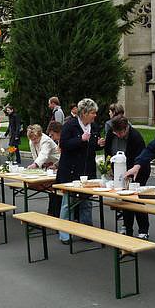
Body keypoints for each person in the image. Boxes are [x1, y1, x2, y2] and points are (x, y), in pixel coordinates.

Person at [55, 98, 101, 244]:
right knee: (68, 202)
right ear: (85, 113)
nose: (95, 116)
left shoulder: (94, 126)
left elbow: (91, 145)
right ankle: (64, 234)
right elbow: (64, 145)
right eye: (93, 113)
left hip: (87, 170)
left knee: (86, 201)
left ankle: (86, 231)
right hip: (71, 170)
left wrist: (99, 144)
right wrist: (80, 139)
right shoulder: (70, 125)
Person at [110, 116, 151, 239]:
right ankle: (127, 227)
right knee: (125, 199)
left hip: (138, 170)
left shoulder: (135, 137)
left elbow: (140, 158)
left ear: (126, 128)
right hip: (122, 169)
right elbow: (109, 150)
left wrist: (131, 173)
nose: (119, 135)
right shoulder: (113, 134)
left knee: (136, 199)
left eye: (121, 132)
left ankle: (143, 229)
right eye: (116, 133)